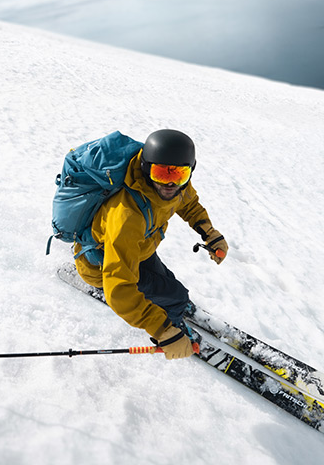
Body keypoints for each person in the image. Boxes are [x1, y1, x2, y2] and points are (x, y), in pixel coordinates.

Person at [74, 129, 229, 360]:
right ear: (146, 169)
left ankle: (172, 308)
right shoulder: (127, 215)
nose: (170, 183)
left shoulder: (177, 187)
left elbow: (188, 203)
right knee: (175, 295)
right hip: (101, 264)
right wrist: (163, 331)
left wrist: (209, 232)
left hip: (139, 250)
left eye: (179, 174)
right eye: (161, 173)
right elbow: (118, 288)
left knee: (169, 285)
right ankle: (174, 326)